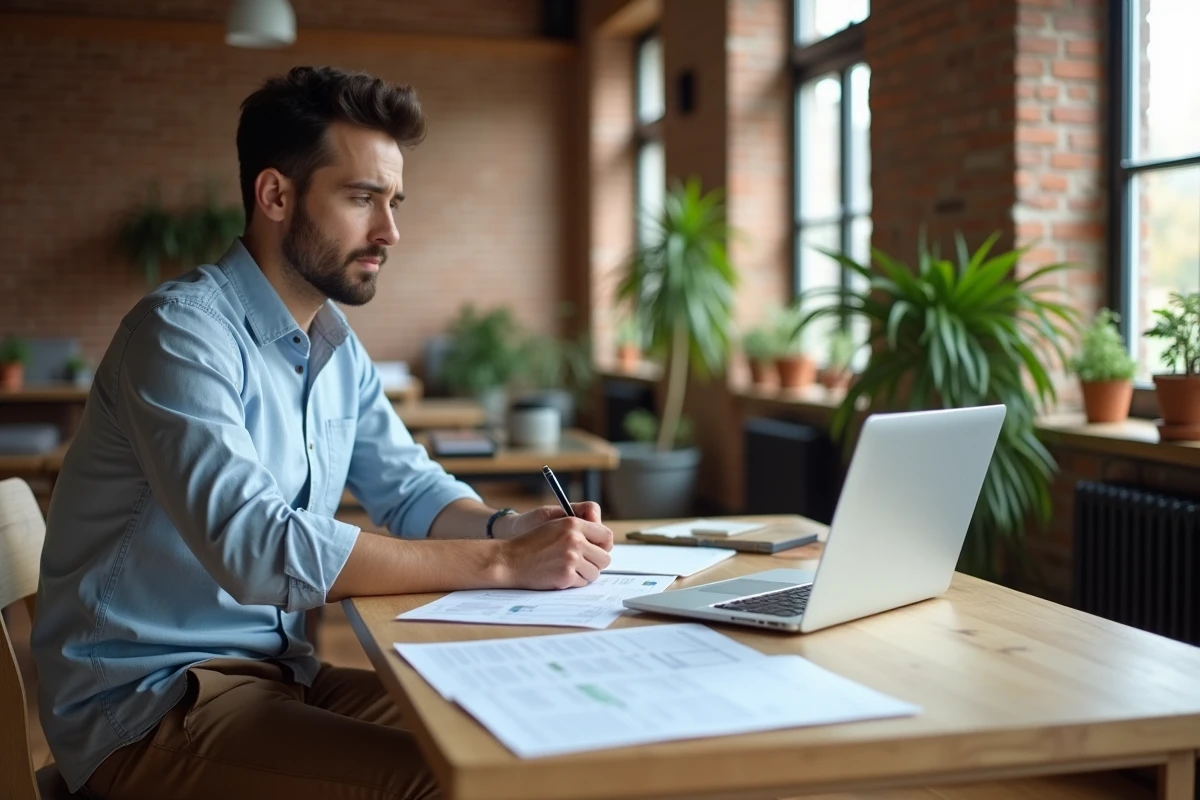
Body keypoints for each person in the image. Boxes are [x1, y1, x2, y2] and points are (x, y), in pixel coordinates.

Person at [31, 65, 613, 800]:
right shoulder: (179, 335)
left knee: (520, 741)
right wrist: (499, 563)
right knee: (453, 786)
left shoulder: (335, 347)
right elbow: (256, 546)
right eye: (362, 198)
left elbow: (410, 488)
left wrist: (510, 524)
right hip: (149, 710)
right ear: (275, 195)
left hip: (281, 677)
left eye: (394, 201)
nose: (390, 231)